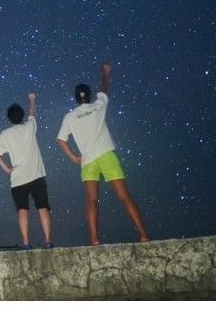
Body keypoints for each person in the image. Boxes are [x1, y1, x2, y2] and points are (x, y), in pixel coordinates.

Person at [57, 63, 149, 245]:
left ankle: (94, 239)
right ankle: (143, 235)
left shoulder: (70, 117)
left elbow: (60, 139)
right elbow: (103, 88)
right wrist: (106, 73)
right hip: (106, 154)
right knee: (124, 196)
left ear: (75, 98)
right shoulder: (98, 106)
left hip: (88, 160)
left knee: (91, 200)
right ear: (89, 96)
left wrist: (74, 156)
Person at [0, 93, 53, 250]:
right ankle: (47, 241)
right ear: (21, 116)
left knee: (22, 210)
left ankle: (26, 243)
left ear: (9, 118)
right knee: (43, 207)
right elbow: (32, 113)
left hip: (18, 178)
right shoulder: (30, 126)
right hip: (36, 175)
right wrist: (32, 99)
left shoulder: (5, 134)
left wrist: (7, 169)